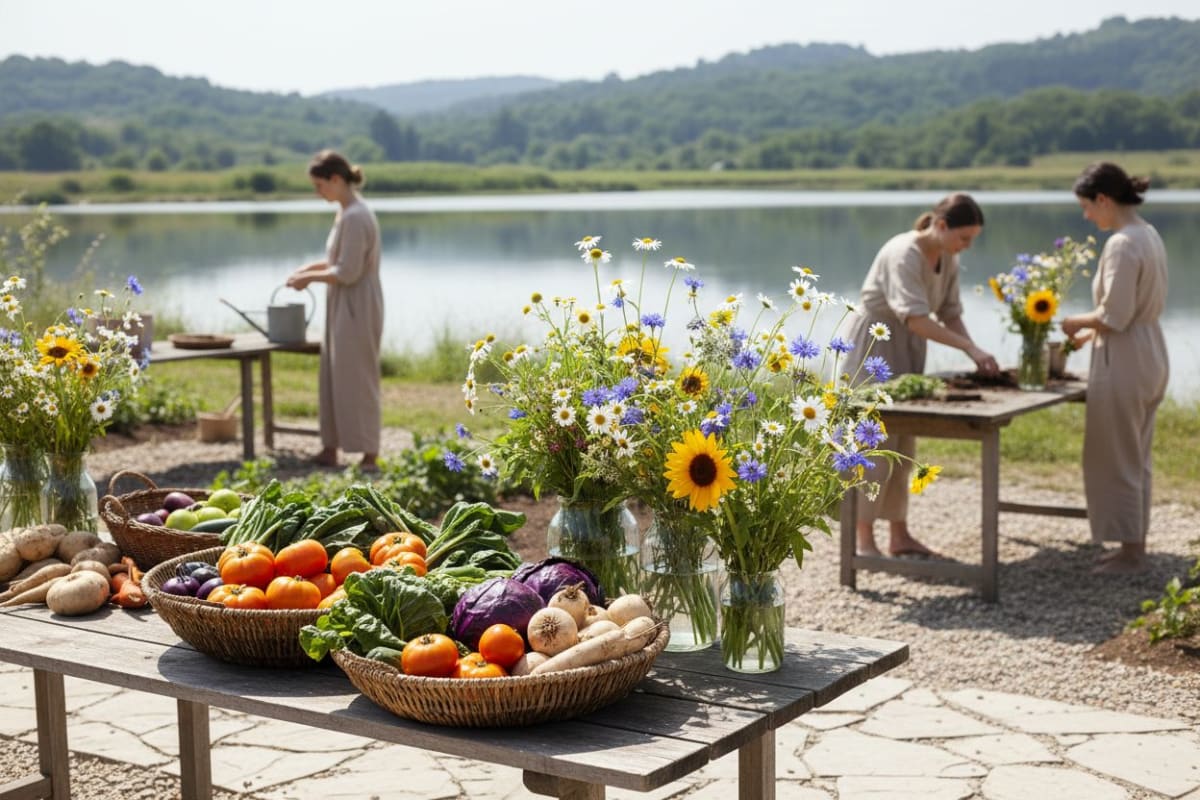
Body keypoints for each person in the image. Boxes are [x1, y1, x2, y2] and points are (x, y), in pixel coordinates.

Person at [839, 192, 999, 558]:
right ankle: (863, 541)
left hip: (909, 346)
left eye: (972, 238)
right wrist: (968, 348)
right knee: (873, 443)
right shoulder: (903, 252)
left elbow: (950, 312)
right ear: (940, 226)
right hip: (874, 346)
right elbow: (914, 317)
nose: (967, 246)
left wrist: (977, 353)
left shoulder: (947, 256)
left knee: (903, 442)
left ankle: (900, 535)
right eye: (964, 238)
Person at [1061, 162, 1168, 575]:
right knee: (1136, 453)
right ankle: (1132, 542)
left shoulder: (1122, 243)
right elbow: (1132, 310)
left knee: (1117, 455)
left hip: (1125, 356)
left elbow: (1115, 314)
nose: (1087, 216)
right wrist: (1094, 334)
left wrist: (1075, 323)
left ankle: (1130, 553)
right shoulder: (1149, 233)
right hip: (1150, 349)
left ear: (1103, 199)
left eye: (1088, 207)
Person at [286, 150, 384, 471]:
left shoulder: (357, 216)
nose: (318, 193)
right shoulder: (345, 213)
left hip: (357, 303)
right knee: (334, 373)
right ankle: (331, 447)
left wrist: (310, 279)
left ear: (337, 179)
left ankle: (369, 451)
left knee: (357, 375)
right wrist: (307, 269)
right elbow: (335, 262)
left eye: (320, 185)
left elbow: (348, 272)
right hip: (341, 301)